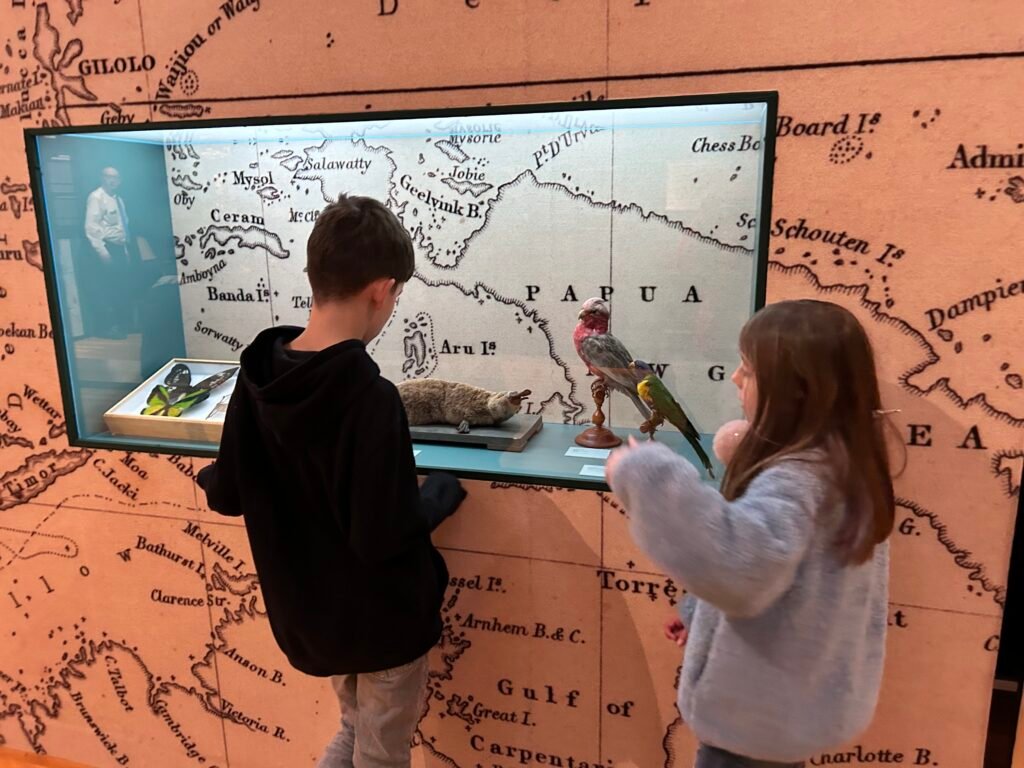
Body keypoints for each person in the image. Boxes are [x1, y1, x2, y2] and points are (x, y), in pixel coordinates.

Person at [196, 194, 467, 767]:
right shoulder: (369, 398)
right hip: (382, 623)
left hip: (313, 620)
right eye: (396, 297)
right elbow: (383, 535)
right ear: (381, 290)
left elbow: (227, 492)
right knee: (380, 755)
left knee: (352, 731)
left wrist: (210, 470)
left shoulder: (258, 379)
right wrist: (440, 495)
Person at [606, 299, 896, 768]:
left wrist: (645, 473)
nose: (736, 378)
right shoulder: (845, 464)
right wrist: (700, 612)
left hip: (752, 725)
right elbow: (784, 572)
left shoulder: (798, 478)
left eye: (749, 369)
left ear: (795, 390)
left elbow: (740, 568)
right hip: (788, 711)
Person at [84, 166, 134, 338]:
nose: (112, 180)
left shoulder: (118, 199)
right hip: (105, 248)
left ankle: (124, 325)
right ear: (102, 178)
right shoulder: (96, 197)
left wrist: (125, 250)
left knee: (121, 288)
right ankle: (108, 328)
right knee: (107, 289)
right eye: (108, 176)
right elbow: (91, 228)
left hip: (119, 248)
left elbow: (122, 227)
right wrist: (103, 252)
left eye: (116, 177)